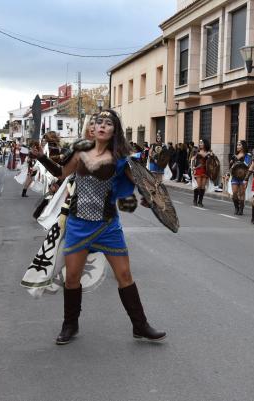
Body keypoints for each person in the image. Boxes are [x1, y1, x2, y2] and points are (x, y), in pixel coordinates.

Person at [50, 109, 165, 344]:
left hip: (107, 226)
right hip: (78, 224)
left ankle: (140, 325)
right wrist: (39, 157)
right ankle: (70, 324)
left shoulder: (122, 160)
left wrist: (149, 198)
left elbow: (144, 185)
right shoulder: (80, 152)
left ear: (115, 130)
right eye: (98, 122)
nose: (102, 125)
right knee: (72, 277)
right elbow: (61, 173)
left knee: (124, 274)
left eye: (108, 123)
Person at [228, 140, 249, 215]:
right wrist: (231, 166)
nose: (237, 146)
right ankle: (236, 207)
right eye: (237, 145)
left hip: (243, 177)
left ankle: (241, 209)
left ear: (243, 146)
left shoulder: (247, 155)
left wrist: (246, 178)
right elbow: (230, 167)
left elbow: (247, 166)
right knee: (234, 193)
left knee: (242, 193)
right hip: (235, 177)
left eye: (239, 145)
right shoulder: (234, 156)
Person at [193, 139, 211, 207]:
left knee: (203, 186)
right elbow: (192, 160)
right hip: (198, 169)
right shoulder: (197, 152)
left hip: (206, 170)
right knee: (198, 186)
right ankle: (195, 199)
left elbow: (211, 162)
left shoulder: (209, 152)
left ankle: (200, 201)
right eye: (200, 143)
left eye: (201, 143)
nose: (200, 144)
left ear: (205, 144)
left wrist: (210, 155)